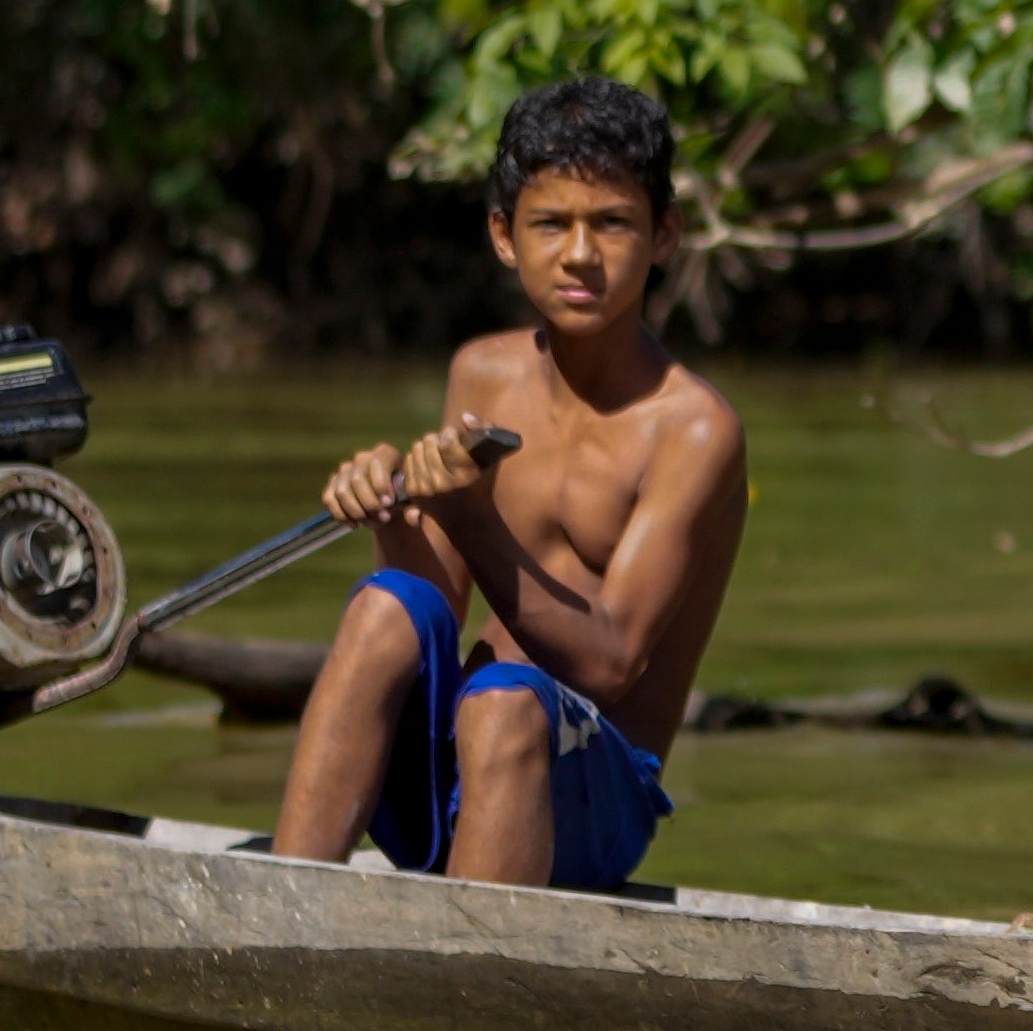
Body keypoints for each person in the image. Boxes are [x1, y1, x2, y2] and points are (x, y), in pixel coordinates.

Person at [264, 75, 752, 892]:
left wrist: (472, 518)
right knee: (387, 603)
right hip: (462, 767)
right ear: (503, 234)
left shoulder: (694, 429)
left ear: (664, 235)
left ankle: (465, 988)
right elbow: (438, 597)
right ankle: (274, 913)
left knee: (502, 702)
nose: (580, 255)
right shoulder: (482, 371)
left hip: (588, 801)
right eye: (551, 224)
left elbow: (612, 661)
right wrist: (393, 506)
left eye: (613, 224)